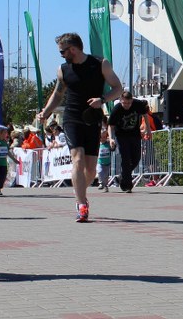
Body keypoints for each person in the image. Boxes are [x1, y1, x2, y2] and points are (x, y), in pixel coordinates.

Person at [37, 32, 123, 222]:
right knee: (77, 158)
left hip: (92, 118)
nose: (61, 55)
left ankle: (81, 193)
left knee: (91, 170)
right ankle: (81, 204)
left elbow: (118, 88)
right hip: (72, 118)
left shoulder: (100, 63)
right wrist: (46, 112)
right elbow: (58, 94)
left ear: (73, 49)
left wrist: (102, 99)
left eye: (63, 51)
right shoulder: (63, 69)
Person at [107, 91, 152, 193]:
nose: (126, 105)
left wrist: (148, 130)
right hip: (121, 136)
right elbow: (111, 125)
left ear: (132, 100)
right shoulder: (117, 109)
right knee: (126, 159)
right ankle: (127, 185)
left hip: (135, 135)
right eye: (124, 103)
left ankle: (123, 175)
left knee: (136, 158)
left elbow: (145, 115)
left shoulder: (137, 104)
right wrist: (111, 138)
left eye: (128, 103)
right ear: (120, 101)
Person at [97, 125, 113, 192]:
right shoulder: (98, 144)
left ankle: (106, 186)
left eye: (104, 137)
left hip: (107, 163)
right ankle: (101, 183)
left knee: (106, 176)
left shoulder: (108, 143)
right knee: (100, 172)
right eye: (101, 137)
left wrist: (113, 145)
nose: (103, 139)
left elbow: (112, 148)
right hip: (100, 162)